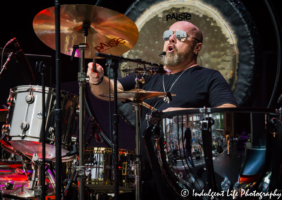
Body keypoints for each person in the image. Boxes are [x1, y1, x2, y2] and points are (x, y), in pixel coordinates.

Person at [87, 21, 237, 199]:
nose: (171, 39)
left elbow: (228, 112)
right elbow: (110, 90)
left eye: (180, 36)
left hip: (188, 176)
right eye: (168, 35)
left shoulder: (209, 77)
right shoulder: (147, 76)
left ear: (197, 47)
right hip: (147, 172)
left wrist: (181, 116)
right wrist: (97, 79)